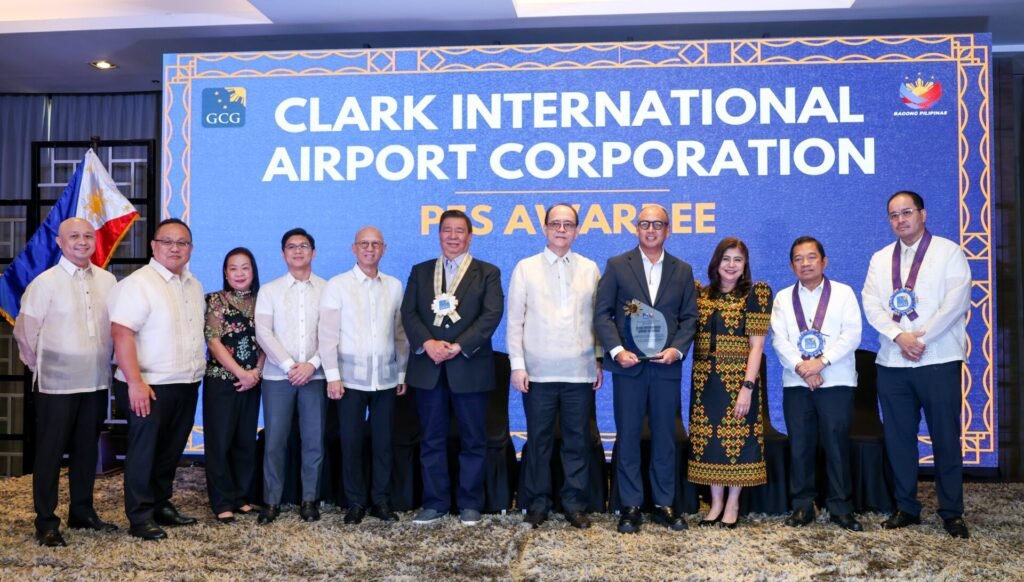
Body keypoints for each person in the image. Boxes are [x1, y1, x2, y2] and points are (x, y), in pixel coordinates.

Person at [861, 190, 971, 539]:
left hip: (938, 358)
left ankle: (952, 511)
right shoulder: (880, 259)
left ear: (923, 214)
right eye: (894, 215)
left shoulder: (948, 252)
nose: (901, 220)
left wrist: (921, 339)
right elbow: (871, 304)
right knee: (898, 439)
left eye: (907, 212)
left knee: (945, 438)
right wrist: (899, 336)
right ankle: (906, 507)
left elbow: (957, 302)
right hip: (893, 362)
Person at [14, 218, 118, 547]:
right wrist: (41, 366)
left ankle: (82, 512)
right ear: (59, 242)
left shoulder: (108, 281)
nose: (82, 241)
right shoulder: (44, 283)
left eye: (88, 236)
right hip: (55, 385)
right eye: (74, 236)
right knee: (50, 452)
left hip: (95, 381)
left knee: (87, 451)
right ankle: (46, 521)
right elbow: (25, 333)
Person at [594, 204, 697, 534]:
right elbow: (602, 314)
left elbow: (689, 318)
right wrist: (617, 351)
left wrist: (677, 350)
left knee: (665, 436)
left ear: (668, 230)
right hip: (629, 367)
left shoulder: (682, 270)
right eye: (645, 224)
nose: (651, 229)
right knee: (627, 436)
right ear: (636, 228)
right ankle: (631, 505)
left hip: (666, 367)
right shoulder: (617, 266)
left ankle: (664, 503)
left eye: (658, 224)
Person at [401, 209, 504, 526]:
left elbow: (491, 315)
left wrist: (458, 346)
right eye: (447, 230)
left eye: (460, 231)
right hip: (429, 367)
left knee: (473, 439)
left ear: (470, 237)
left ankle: (470, 503)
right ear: (439, 235)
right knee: (431, 439)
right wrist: (428, 343)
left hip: (469, 367)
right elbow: (408, 313)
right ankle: (435, 503)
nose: (453, 236)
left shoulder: (487, 273)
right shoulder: (421, 271)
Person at [108, 217, 206, 541]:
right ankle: (140, 516)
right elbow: (121, 333)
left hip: (185, 382)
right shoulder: (138, 283)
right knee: (144, 451)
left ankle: (161, 503)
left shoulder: (194, 285)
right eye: (168, 242)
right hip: (147, 383)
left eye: (182, 243)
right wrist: (135, 382)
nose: (175, 248)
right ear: (154, 246)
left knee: (170, 450)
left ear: (190, 248)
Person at [507, 203, 602, 530]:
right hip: (537, 373)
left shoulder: (590, 268)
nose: (562, 229)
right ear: (545, 228)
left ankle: (574, 504)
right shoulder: (525, 268)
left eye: (568, 224)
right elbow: (515, 322)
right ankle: (537, 504)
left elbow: (598, 320)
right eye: (556, 224)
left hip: (580, 371)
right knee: (539, 441)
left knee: (577, 442)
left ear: (577, 230)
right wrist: (517, 365)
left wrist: (598, 360)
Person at [770, 236, 863, 531]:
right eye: (798, 259)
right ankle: (802, 506)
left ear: (824, 261)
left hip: (837, 381)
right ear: (791, 266)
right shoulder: (783, 298)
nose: (805, 263)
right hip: (797, 383)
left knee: (836, 444)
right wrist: (803, 367)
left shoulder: (844, 293)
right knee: (800, 444)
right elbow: (779, 339)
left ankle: (841, 507)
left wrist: (821, 362)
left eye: (811, 257)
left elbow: (852, 334)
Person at [319, 226, 408, 525]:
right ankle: (355, 502)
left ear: (384, 248)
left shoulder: (394, 286)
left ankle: (381, 501)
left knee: (383, 444)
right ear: (354, 248)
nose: (370, 249)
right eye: (364, 244)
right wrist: (332, 375)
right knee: (352, 443)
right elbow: (327, 335)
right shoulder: (337, 285)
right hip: (349, 380)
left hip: (386, 380)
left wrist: (402, 372)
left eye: (375, 244)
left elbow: (400, 335)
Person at [687, 237, 772, 529]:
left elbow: (757, 347)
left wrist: (747, 388)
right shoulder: (699, 294)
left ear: (745, 265)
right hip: (704, 380)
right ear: (716, 262)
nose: (731, 265)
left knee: (737, 440)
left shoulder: (755, 294)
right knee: (709, 441)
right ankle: (716, 503)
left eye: (738, 259)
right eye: (726, 259)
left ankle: (733, 503)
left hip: (738, 378)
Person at [255, 228, 327, 525]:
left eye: (304, 246)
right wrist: (289, 366)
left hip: (316, 376)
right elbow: (263, 332)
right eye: (292, 247)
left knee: (313, 441)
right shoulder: (269, 290)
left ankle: (310, 500)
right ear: (283, 254)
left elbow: (332, 333)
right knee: (275, 441)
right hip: (277, 378)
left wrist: (312, 365)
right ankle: (272, 501)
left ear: (314, 252)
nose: (298, 251)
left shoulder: (328, 289)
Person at [202, 248, 264, 524]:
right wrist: (240, 372)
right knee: (220, 441)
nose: (239, 273)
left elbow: (267, 341)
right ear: (226, 273)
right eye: (233, 268)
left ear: (253, 271)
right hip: (222, 381)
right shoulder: (216, 300)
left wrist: (256, 372)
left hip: (253, 380)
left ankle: (241, 497)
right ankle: (222, 501)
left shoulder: (263, 301)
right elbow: (213, 341)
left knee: (245, 440)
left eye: (245, 268)